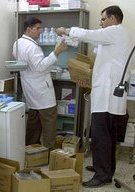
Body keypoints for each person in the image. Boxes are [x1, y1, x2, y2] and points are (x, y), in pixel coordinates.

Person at [56, 5, 133, 188]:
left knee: (101, 136)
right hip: (107, 95)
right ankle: (105, 167)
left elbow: (90, 34)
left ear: (113, 18)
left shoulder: (116, 31)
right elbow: (94, 53)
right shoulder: (114, 39)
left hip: (108, 97)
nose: (101, 22)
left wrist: (66, 30)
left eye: (103, 19)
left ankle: (103, 174)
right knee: (107, 135)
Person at [12, 17, 67, 149]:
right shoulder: (32, 47)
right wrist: (56, 52)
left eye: (41, 28)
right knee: (49, 121)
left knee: (34, 120)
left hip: (30, 88)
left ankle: (30, 149)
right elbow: (40, 67)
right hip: (42, 90)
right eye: (38, 28)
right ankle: (49, 151)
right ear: (28, 29)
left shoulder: (18, 43)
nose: (40, 31)